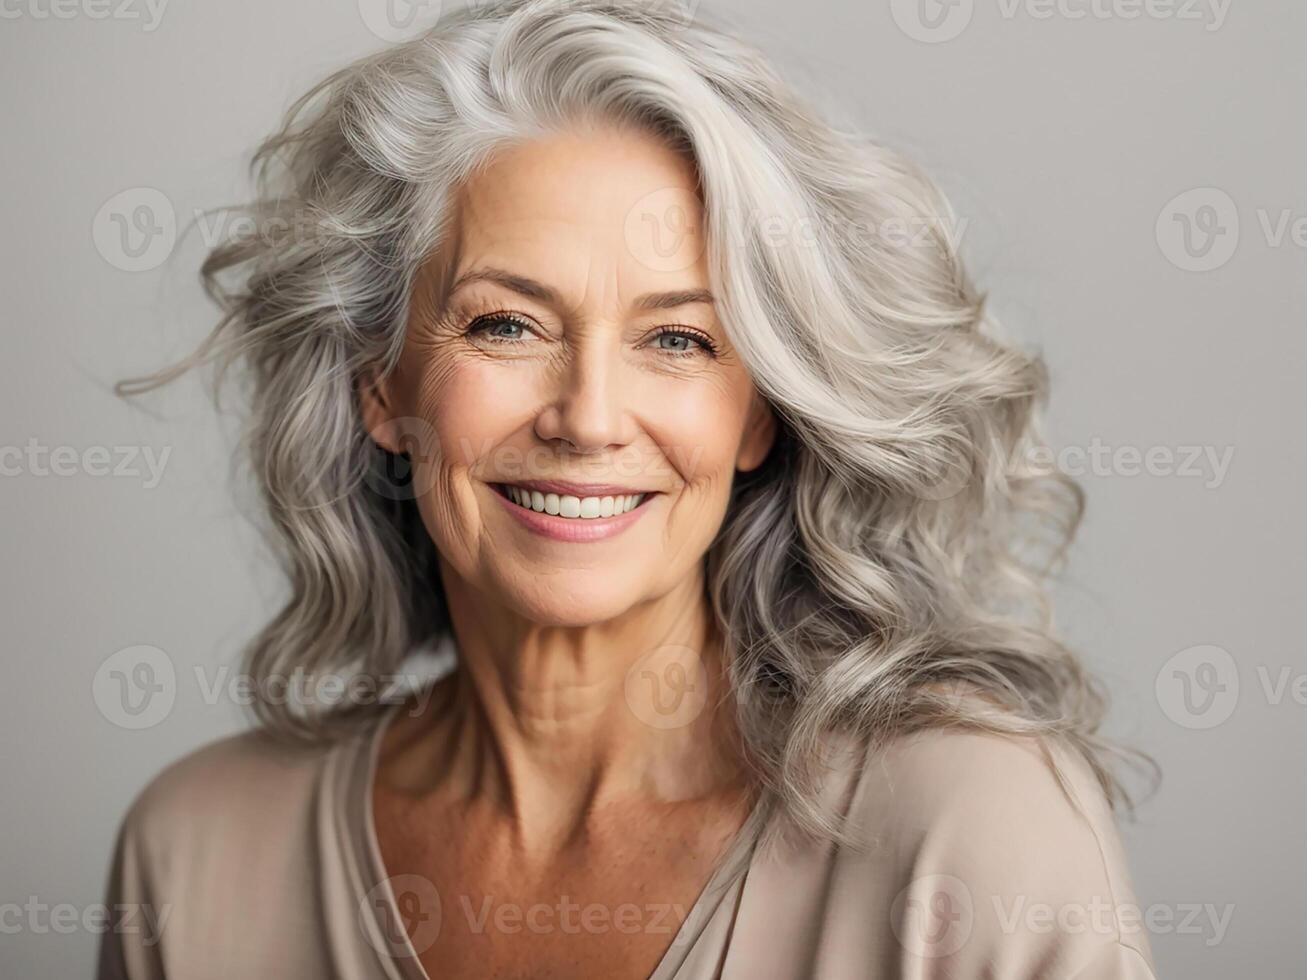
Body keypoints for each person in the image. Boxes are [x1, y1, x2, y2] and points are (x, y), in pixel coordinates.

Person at [99, 2, 1158, 977]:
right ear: (379, 381)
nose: (589, 416)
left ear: (757, 411)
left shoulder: (966, 830)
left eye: (676, 338)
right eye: (504, 323)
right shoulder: (196, 855)